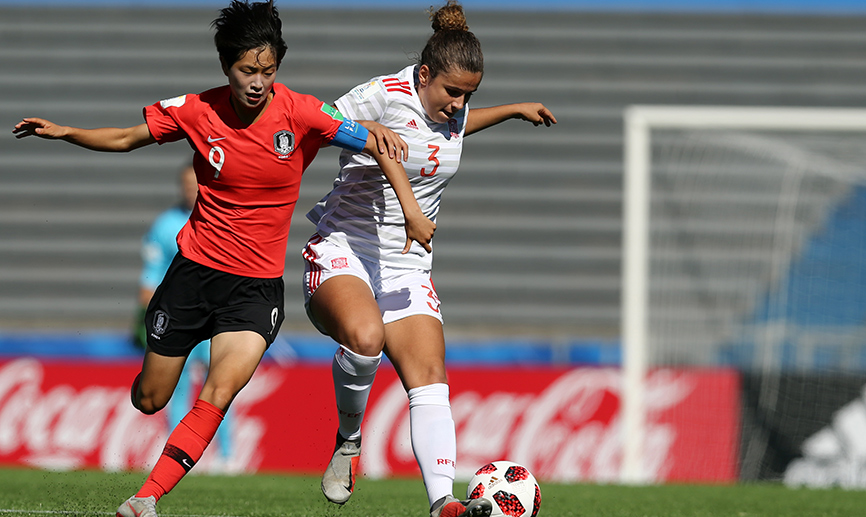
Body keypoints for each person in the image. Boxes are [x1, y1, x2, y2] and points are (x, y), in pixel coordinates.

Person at [13, 2, 433, 517]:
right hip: (192, 277)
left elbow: (376, 142)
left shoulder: (303, 112)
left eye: (268, 70)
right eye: (246, 70)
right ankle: (151, 427)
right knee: (149, 399)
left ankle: (146, 499)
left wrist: (404, 198)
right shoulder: (196, 110)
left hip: (254, 291)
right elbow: (126, 138)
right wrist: (65, 132)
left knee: (219, 389)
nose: (257, 82)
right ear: (225, 66)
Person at [302, 2, 557, 517]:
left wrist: (510, 109)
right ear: (423, 76)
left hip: (407, 265)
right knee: (366, 338)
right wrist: (366, 139)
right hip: (344, 248)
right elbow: (318, 119)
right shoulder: (384, 95)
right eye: (452, 92)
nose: (460, 106)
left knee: (431, 378)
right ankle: (349, 443)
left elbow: (447, 137)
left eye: (471, 96)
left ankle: (444, 503)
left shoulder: (453, 112)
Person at [136, 163, 233, 466]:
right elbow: (150, 277)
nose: (192, 191)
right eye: (187, 186)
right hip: (179, 316)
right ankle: (177, 455)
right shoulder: (166, 225)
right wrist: (149, 317)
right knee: (173, 388)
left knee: (220, 386)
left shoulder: (224, 220)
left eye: (197, 185)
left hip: (216, 317)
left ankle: (227, 457)